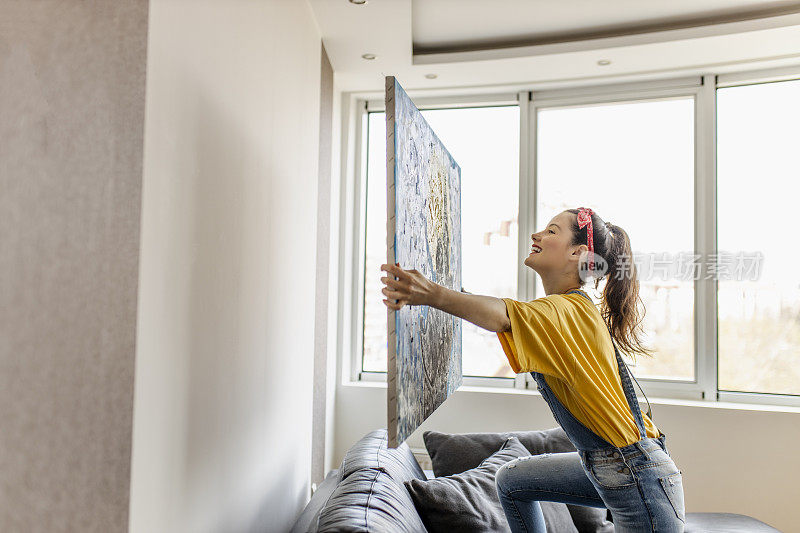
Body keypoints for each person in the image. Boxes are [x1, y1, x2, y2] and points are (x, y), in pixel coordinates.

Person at [379, 207, 686, 532]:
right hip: (615, 465)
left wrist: (432, 294)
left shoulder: (566, 309)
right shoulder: (565, 311)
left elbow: (504, 316)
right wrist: (456, 295)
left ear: (578, 252)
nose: (536, 235)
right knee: (512, 480)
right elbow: (507, 315)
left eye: (552, 231)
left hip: (639, 479)